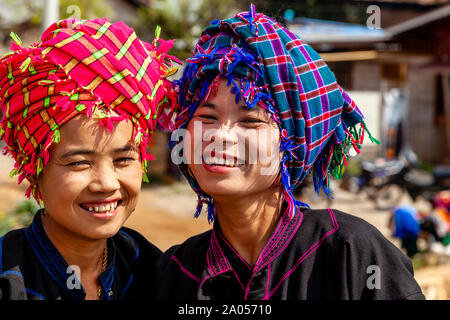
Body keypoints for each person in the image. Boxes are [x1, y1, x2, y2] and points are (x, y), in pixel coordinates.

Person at [156, 5, 425, 300]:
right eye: (207, 117)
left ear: (291, 144)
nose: (221, 136)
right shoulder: (175, 272)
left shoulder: (351, 254)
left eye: (250, 121)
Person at [0, 18, 179, 300]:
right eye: (79, 162)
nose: (106, 184)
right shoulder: (8, 279)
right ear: (33, 168)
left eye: (123, 160)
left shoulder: (153, 271)